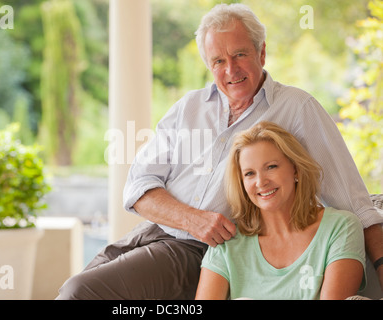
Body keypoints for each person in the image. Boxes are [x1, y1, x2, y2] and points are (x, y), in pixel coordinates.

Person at [57, 3, 383, 300]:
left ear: (262, 52)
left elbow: (357, 206)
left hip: (204, 251)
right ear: (208, 64)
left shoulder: (298, 109)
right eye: (218, 61)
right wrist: (193, 218)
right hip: (151, 232)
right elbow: (137, 187)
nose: (231, 70)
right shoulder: (188, 107)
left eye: (240, 55)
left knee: (80, 293)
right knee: (71, 291)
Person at [195, 121, 366, 300]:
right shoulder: (227, 243)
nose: (261, 182)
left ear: (296, 170)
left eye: (271, 167)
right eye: (249, 174)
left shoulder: (340, 228)